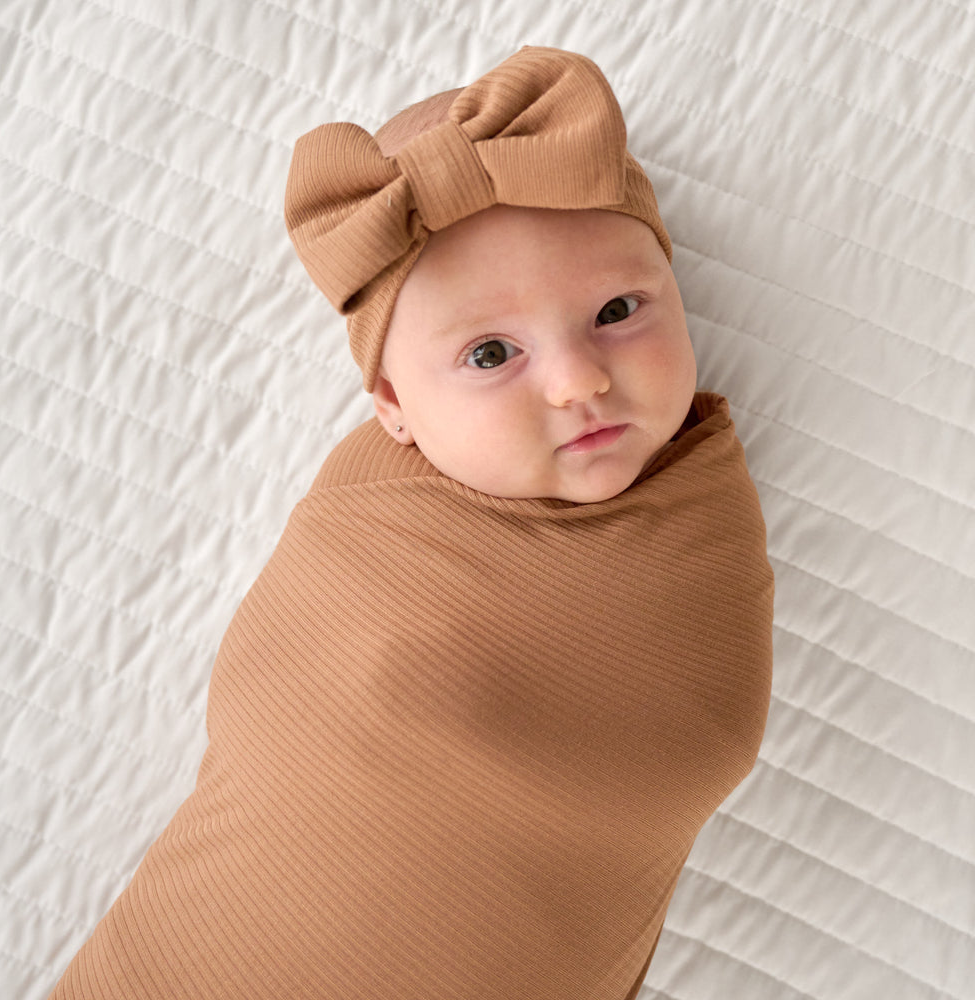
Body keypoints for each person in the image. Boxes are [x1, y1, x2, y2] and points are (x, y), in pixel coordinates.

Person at [50, 46, 773, 1000]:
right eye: (489, 354)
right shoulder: (371, 516)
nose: (578, 379)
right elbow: (296, 696)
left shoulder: (696, 520)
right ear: (393, 407)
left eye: (618, 309)